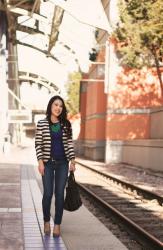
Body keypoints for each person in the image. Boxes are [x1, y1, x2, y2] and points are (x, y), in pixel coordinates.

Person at [35, 95, 76, 237]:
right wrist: (40, 162)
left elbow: (69, 144)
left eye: (60, 106)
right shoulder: (41, 123)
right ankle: (46, 220)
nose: (58, 108)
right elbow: (38, 144)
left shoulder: (66, 124)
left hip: (63, 163)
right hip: (47, 163)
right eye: (55, 105)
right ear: (50, 106)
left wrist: (73, 160)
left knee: (59, 195)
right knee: (47, 194)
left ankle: (57, 224)